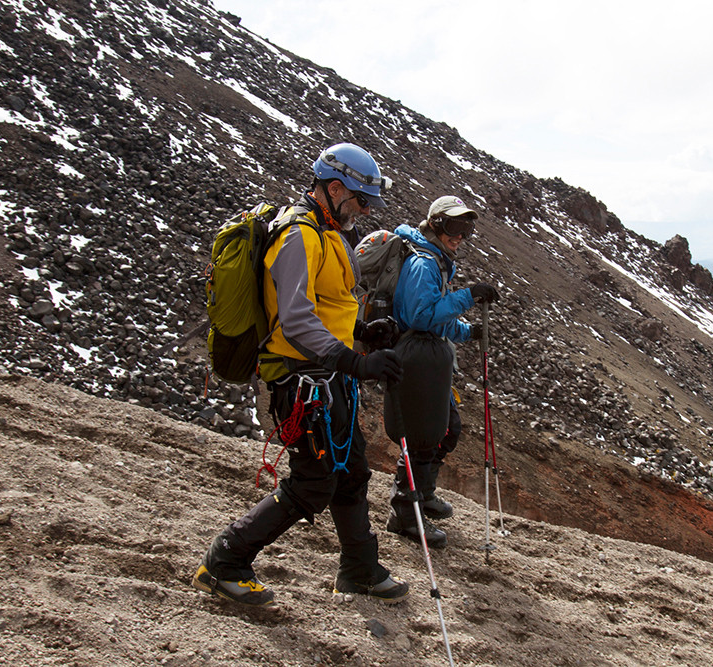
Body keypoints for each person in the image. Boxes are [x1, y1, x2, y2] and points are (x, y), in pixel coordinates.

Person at [192, 143, 408, 606]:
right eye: (361, 200)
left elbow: (326, 304)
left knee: (351, 471)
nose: (366, 211)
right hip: (301, 383)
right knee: (314, 482)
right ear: (335, 189)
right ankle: (225, 560)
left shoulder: (329, 234)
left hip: (327, 377)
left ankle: (360, 568)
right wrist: (355, 361)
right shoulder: (298, 236)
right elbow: (294, 318)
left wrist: (362, 332)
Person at [382, 195, 499, 547]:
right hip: (415, 357)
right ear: (435, 224)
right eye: (454, 226)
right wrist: (468, 296)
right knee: (422, 437)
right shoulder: (423, 263)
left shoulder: (437, 261)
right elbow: (420, 317)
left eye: (466, 229)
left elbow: (436, 318)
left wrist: (467, 332)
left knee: (447, 429)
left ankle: (423, 494)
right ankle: (405, 514)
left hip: (427, 356)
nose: (459, 235)